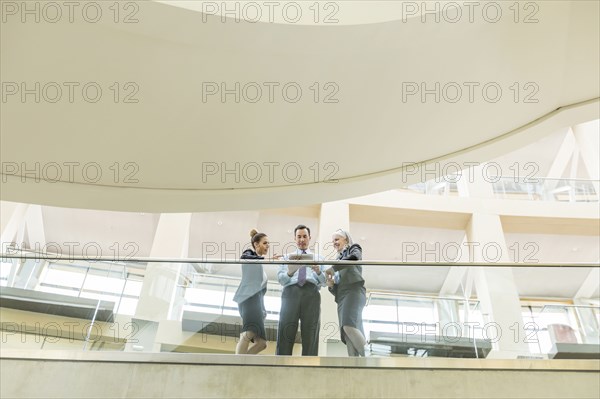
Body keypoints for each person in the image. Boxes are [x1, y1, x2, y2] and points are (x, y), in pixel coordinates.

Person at [276, 224, 326, 356]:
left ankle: (309, 366)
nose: (302, 239)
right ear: (294, 238)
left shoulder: (319, 258)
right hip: (290, 293)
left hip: (311, 294)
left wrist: (318, 271)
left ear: (309, 238)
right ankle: (281, 364)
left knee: (311, 331)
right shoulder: (286, 257)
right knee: (285, 330)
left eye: (304, 236)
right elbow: (281, 280)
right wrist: (290, 273)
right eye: (299, 237)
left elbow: (325, 282)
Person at [325, 228, 367, 357]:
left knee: (348, 326)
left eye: (337, 239)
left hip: (354, 291)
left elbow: (354, 258)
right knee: (346, 332)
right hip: (342, 297)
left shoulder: (354, 248)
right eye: (333, 241)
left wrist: (334, 267)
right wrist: (331, 285)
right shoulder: (339, 259)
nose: (334, 243)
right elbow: (338, 289)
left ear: (346, 239)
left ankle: (369, 354)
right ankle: (354, 364)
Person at [233, 229, 276, 354]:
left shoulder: (261, 268)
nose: (268, 246)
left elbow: (260, 294)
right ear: (256, 244)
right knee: (249, 332)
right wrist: (265, 259)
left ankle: (241, 362)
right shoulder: (249, 253)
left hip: (256, 303)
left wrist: (263, 309)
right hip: (248, 299)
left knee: (262, 343)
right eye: (265, 243)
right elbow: (245, 258)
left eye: (269, 244)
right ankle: (237, 364)